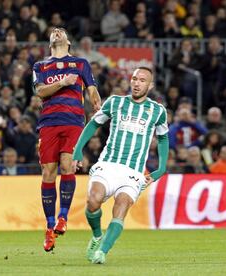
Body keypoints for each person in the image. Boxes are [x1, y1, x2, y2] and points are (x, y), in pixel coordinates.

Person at [72, 67, 169, 264]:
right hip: (108, 164)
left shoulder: (158, 111)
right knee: (93, 201)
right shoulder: (115, 102)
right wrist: (77, 150)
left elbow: (163, 139)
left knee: (121, 206)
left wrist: (161, 168)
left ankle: (102, 252)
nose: (136, 83)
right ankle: (97, 236)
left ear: (149, 86)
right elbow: (93, 124)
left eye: (142, 80)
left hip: (133, 171)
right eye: (134, 78)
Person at [32, 27, 101, 252]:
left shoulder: (81, 64)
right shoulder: (40, 66)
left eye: (61, 31)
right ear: (50, 42)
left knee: (68, 165)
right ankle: (50, 227)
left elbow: (92, 90)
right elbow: (40, 92)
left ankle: (63, 217)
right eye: (53, 31)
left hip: (73, 122)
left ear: (68, 41)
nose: (57, 31)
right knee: (48, 172)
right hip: (48, 124)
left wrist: (97, 103)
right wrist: (63, 83)